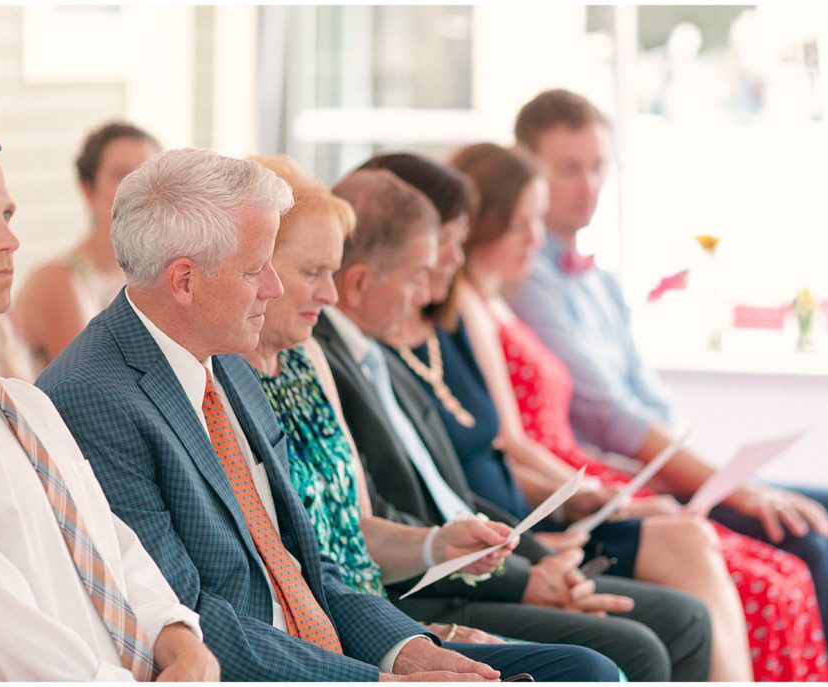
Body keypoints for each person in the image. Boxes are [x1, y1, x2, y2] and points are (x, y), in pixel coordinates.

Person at [36, 147, 578, 682]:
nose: (273, 288)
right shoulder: (93, 398)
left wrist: (406, 648)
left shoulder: (227, 362)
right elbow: (185, 617)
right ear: (183, 281)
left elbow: (306, 558)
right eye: (255, 269)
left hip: (323, 650)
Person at [370, 149, 828, 682]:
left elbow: (621, 403)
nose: (534, 240)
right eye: (520, 225)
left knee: (779, 561)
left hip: (544, 503)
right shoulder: (447, 319)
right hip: (522, 515)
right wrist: (549, 535)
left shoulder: (449, 322)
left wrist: (588, 503)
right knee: (729, 567)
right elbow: (521, 445)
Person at [509, 88, 828, 681]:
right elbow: (610, 417)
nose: (587, 185)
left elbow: (651, 400)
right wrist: (735, 491)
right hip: (616, 478)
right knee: (804, 540)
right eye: (568, 169)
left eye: (597, 167)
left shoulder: (600, 282)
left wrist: (728, 478)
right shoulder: (526, 278)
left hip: (662, 466)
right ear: (528, 169)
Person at [315, 167, 713, 681]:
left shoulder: (378, 355)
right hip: (422, 591)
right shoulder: (331, 361)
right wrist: (526, 575)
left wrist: (538, 558)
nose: (424, 295)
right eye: (418, 275)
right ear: (361, 282)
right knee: (644, 643)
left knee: (682, 618)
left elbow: (452, 496)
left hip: (477, 562)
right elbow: (384, 521)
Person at [239, 155, 622, 681]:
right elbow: (293, 574)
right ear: (254, 269)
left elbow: (353, 527)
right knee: (591, 667)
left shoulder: (310, 359)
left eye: (330, 272)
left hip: (380, 613)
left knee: (597, 665)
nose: (328, 295)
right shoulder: (228, 381)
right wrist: (413, 636)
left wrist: (437, 545)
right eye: (313, 273)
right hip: (351, 632)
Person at [0, 130, 219, 681]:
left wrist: (181, 641)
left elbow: (111, 544)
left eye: (8, 216)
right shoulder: (67, 347)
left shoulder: (22, 404)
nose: (9, 241)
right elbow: (4, 648)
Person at [15, 122, 161, 372]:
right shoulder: (58, 282)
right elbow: (95, 381)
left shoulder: (146, 278)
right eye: (121, 177)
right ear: (88, 188)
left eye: (149, 176)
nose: (138, 191)